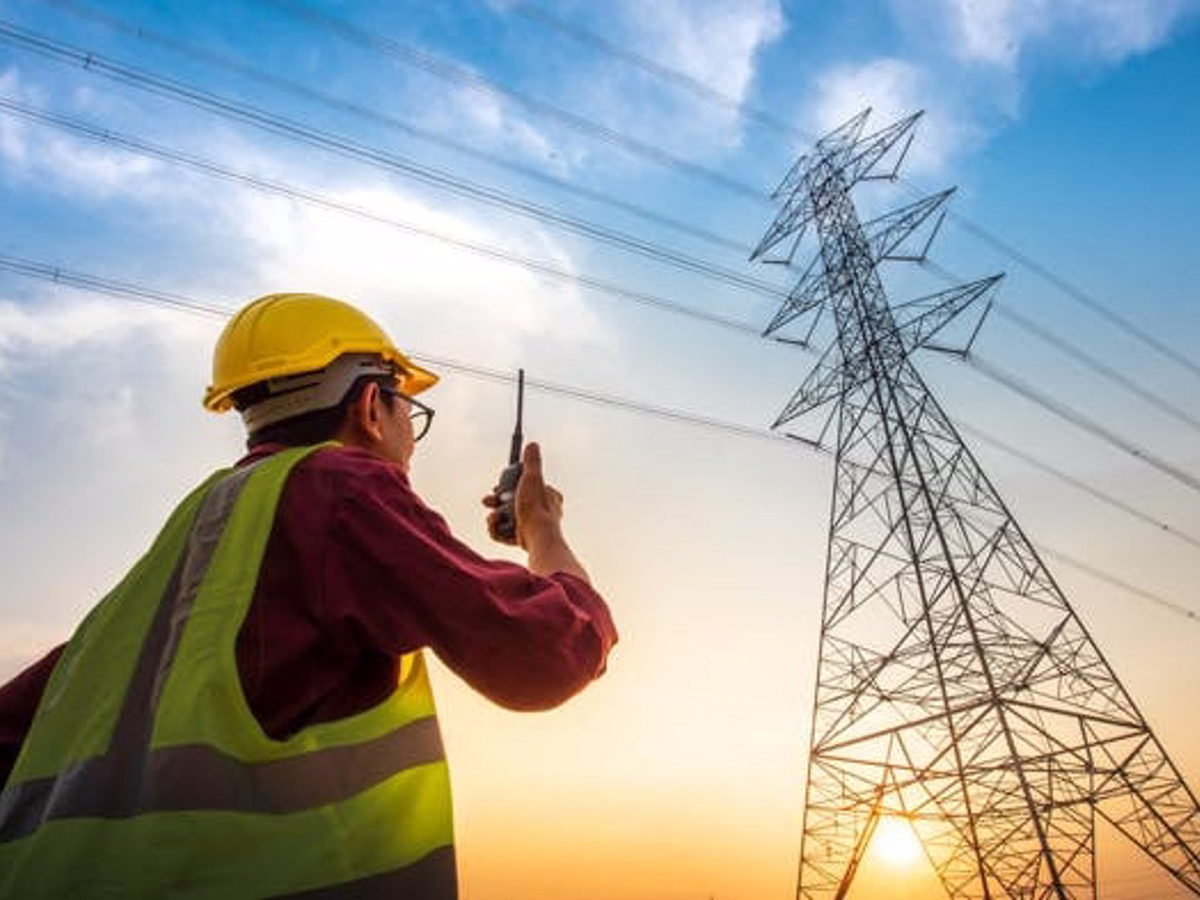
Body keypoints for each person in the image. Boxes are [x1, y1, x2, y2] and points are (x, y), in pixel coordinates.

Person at [0, 292, 617, 897]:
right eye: (410, 414)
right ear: (372, 406)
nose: (409, 438)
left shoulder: (192, 532)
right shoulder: (342, 489)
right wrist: (543, 529)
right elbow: (545, 654)